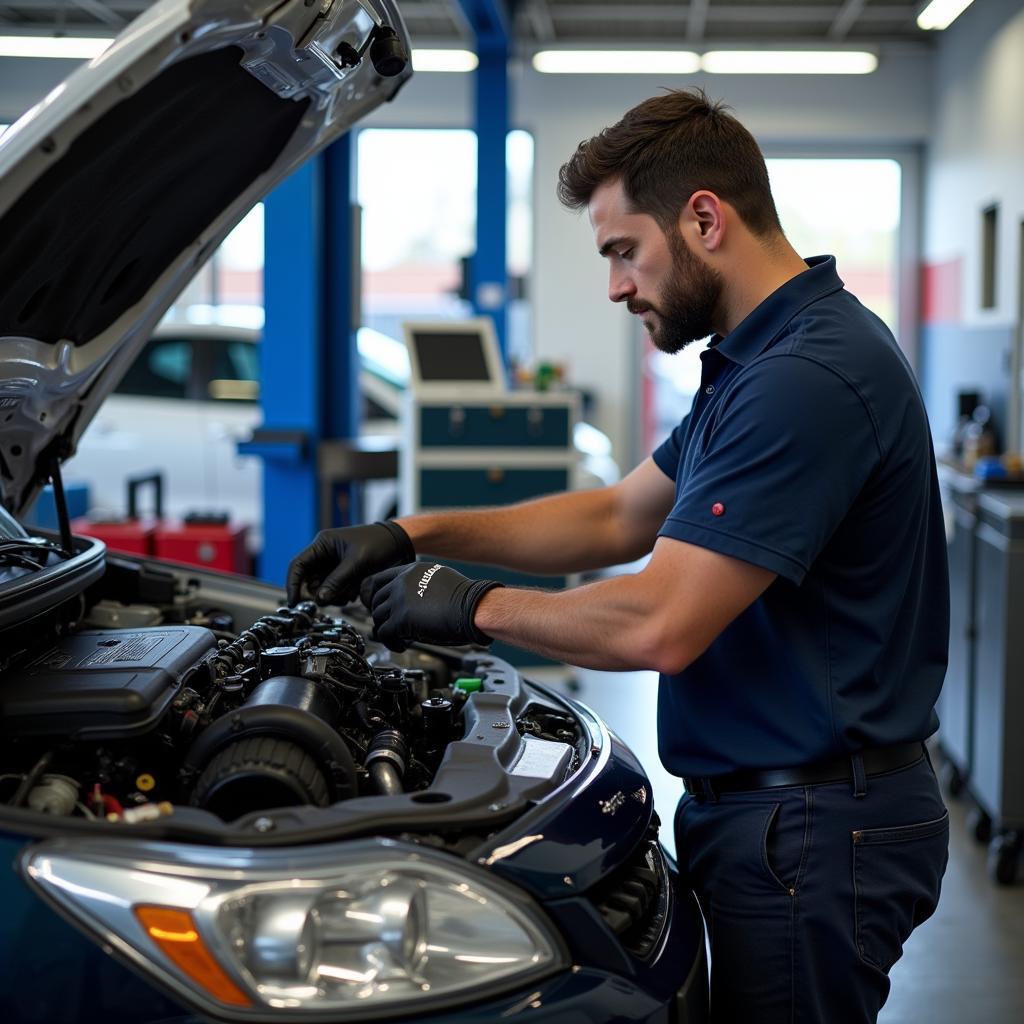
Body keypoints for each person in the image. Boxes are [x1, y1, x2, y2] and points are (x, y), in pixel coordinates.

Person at [287, 89, 950, 1024]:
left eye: (621, 250)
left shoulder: (806, 378)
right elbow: (614, 516)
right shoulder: (760, 361)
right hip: (779, 810)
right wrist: (415, 533)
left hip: (812, 826)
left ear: (705, 219)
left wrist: (472, 606)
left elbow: (661, 622)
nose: (616, 285)